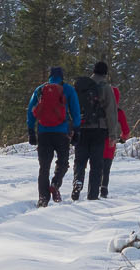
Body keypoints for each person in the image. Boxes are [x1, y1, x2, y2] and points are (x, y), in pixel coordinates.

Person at [26, 65, 81, 207]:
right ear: (62, 76)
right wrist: (77, 129)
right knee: (63, 162)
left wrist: (31, 130)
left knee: (44, 167)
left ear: (49, 76)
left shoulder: (40, 90)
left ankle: (43, 198)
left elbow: (31, 111)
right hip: (62, 133)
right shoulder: (68, 89)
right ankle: (55, 184)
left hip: (43, 132)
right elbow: (75, 111)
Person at [71, 61, 116, 201]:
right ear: (105, 73)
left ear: (93, 71)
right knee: (96, 164)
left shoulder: (81, 86)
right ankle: (92, 195)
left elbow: (73, 107)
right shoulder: (106, 88)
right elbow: (111, 112)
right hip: (98, 129)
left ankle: (78, 180)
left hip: (81, 128)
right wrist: (113, 134)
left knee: (80, 160)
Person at [99, 80, 130, 197]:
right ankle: (104, 189)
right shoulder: (119, 112)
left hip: (97, 141)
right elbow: (126, 130)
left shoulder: (99, 110)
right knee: (106, 168)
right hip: (110, 144)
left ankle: (94, 187)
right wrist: (122, 138)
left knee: (97, 167)